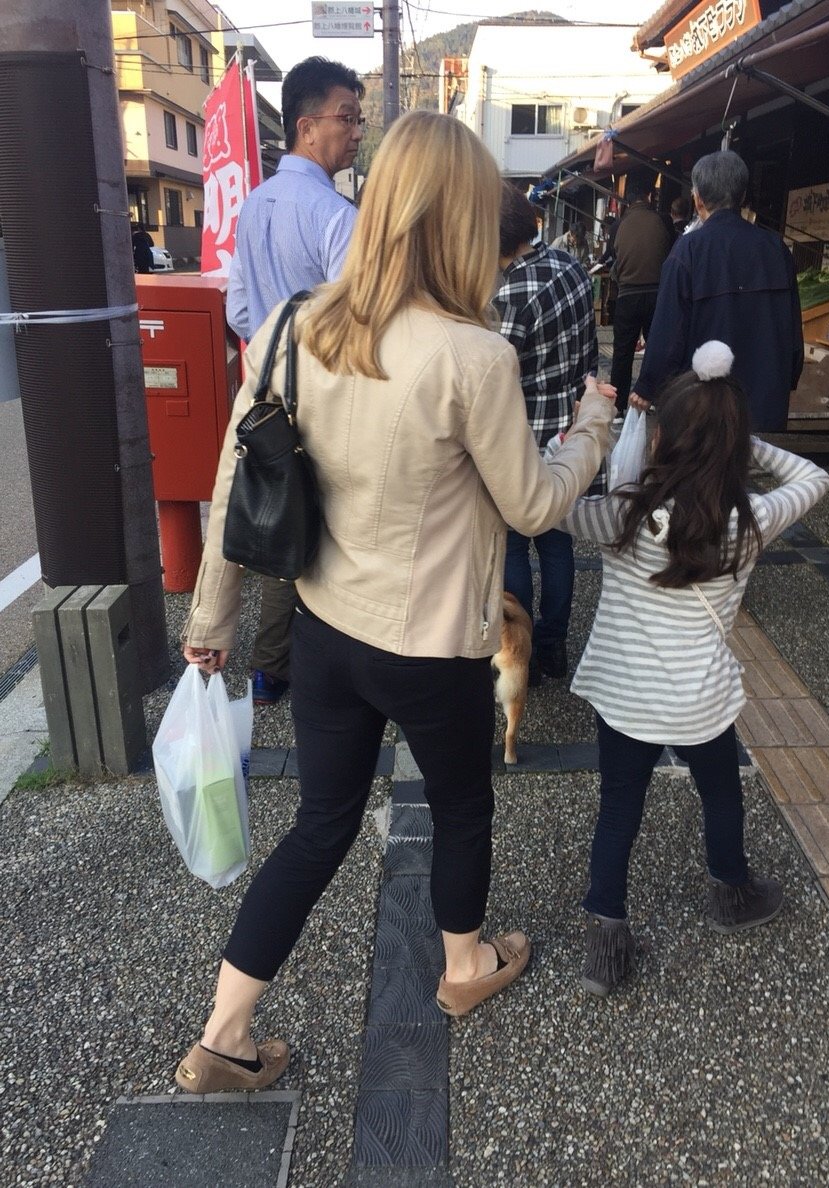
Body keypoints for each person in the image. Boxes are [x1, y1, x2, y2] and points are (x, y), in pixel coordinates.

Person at [174, 111, 614, 1093]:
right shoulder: (471, 355)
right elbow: (533, 506)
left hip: (325, 628)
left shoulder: (295, 324)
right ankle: (463, 966)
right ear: (460, 219)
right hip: (430, 643)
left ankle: (224, 1033)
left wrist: (210, 625)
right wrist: (591, 427)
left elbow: (233, 484)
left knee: (320, 825)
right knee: (460, 804)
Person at [554, 341, 829, 996]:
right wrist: (735, 441)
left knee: (619, 807)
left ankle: (606, 944)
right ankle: (732, 892)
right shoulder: (751, 520)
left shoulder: (622, 515)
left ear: (659, 440)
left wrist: (577, 436)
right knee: (722, 791)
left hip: (626, 698)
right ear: (733, 448)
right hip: (701, 700)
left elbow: (548, 501)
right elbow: (814, 477)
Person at [227, 56, 366, 705]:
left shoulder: (252, 207)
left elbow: (237, 310)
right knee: (327, 526)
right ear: (307, 126)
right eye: (347, 117)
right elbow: (355, 324)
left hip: (264, 397)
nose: (357, 131)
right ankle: (314, 666)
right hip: (328, 400)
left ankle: (268, 667)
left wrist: (270, 345)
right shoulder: (336, 215)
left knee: (277, 515)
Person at [493, 182, 605, 683]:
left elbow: (493, 377)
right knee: (559, 545)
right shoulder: (572, 267)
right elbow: (590, 349)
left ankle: (524, 649)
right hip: (569, 429)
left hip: (525, 437)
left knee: (515, 545)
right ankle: (554, 646)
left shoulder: (510, 295)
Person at [629, 151, 804, 432]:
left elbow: (668, 331)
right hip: (766, 407)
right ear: (742, 195)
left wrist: (648, 385)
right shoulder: (776, 249)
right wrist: (786, 380)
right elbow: (793, 332)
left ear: (698, 199)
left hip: (705, 410)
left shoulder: (688, 250)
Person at [608, 172, 672, 414]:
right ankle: (655, 400)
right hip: (657, 296)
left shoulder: (618, 225)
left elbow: (613, 256)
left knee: (622, 354)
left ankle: (618, 408)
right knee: (657, 351)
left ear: (628, 199)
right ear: (649, 196)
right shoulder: (663, 220)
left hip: (626, 295)